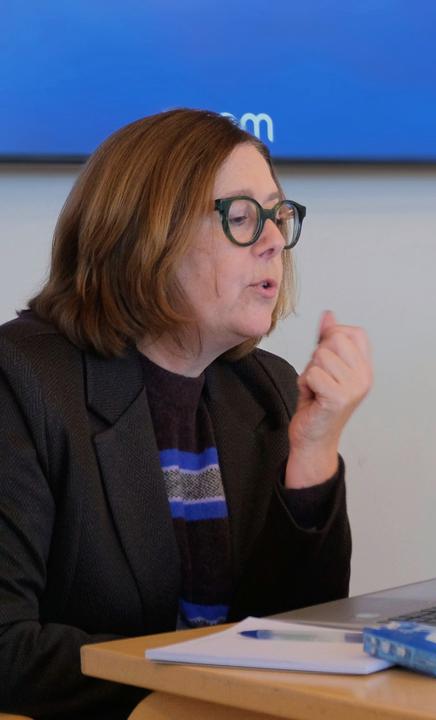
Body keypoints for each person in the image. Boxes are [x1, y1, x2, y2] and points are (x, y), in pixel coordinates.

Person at [0, 109, 373, 719]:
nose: (275, 239)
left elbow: (302, 641)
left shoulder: (266, 388)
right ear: (146, 233)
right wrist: (205, 676)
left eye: (278, 215)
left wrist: (314, 449)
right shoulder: (21, 381)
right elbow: (6, 646)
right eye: (243, 217)